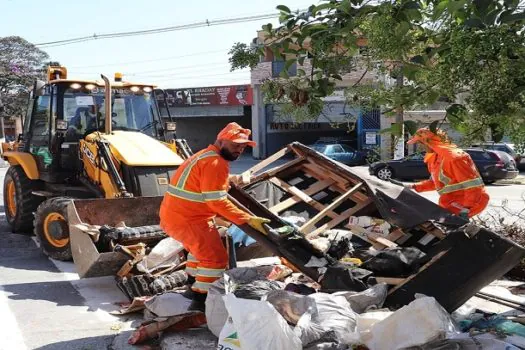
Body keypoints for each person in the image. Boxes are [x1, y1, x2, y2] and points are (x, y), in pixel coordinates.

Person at [159, 122, 270, 311]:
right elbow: (216, 202)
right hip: (190, 220)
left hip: (178, 217)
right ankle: (201, 304)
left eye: (243, 147)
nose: (239, 150)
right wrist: (246, 219)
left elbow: (207, 189)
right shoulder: (215, 163)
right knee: (216, 260)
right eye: (236, 145)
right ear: (221, 141)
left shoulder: (204, 156)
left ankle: (192, 287)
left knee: (199, 253)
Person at [406, 127, 489, 219]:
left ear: (429, 142)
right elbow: (437, 183)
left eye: (420, 143)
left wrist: (467, 208)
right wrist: (414, 186)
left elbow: (472, 185)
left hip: (466, 202)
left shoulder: (454, 158)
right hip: (451, 202)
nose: (420, 147)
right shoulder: (435, 158)